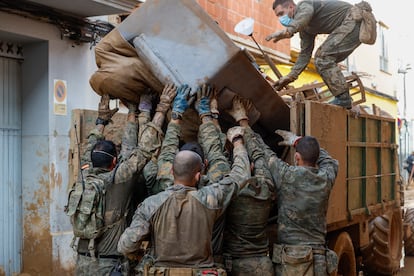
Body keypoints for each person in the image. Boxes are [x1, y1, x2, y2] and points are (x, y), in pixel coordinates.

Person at [117, 125, 251, 275]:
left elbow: (125, 246)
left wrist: (142, 256)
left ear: (172, 171)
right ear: (198, 175)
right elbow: (241, 175)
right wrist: (238, 142)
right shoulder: (211, 198)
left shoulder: (151, 204)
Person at [75, 89, 172, 276]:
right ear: (114, 162)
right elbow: (143, 150)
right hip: (110, 267)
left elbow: (89, 148)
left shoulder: (83, 178)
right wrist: (161, 109)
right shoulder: (118, 181)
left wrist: (101, 121)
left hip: (82, 263)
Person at [266, 0, 374, 109]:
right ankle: (344, 98)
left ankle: (343, 99)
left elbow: (304, 16)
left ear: (291, 7)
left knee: (322, 57)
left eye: (281, 13)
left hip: (353, 20)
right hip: (350, 26)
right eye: (278, 16)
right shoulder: (305, 30)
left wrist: (288, 31)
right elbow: (305, 54)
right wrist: (290, 76)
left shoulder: (304, 5)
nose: (280, 18)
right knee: (325, 59)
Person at [222, 96, 276, 276]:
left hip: (234, 265)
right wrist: (243, 121)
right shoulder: (266, 188)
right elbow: (260, 157)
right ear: (251, 167)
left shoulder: (228, 191)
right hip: (262, 265)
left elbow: (215, 160)